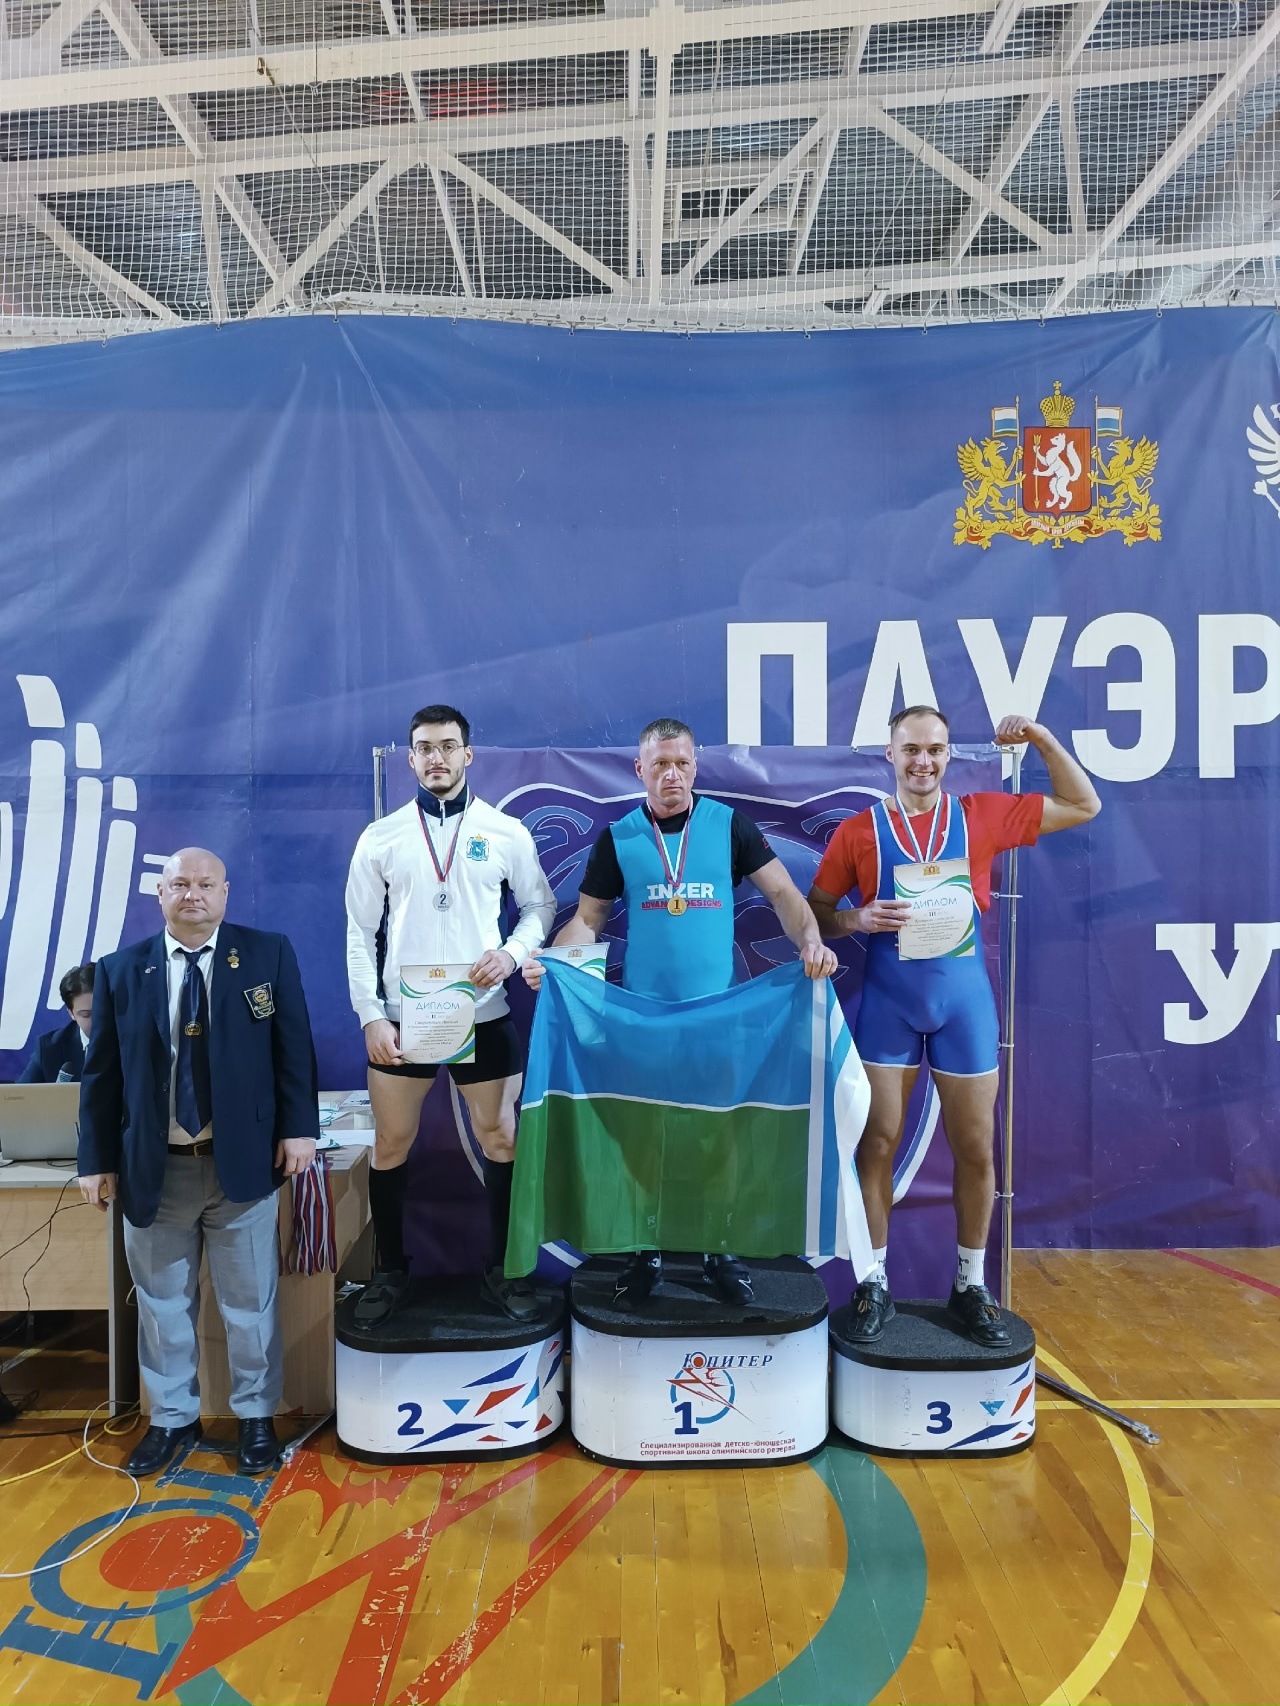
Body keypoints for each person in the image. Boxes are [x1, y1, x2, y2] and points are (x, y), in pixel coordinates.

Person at [808, 707, 1100, 1346]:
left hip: (963, 1004)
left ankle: (970, 1284)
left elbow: (1084, 804)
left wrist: (1042, 736)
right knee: (876, 1143)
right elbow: (816, 912)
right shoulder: (860, 831)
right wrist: (855, 921)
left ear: (948, 755)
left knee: (975, 1147)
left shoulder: (981, 815)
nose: (923, 761)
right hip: (889, 1002)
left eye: (935, 750)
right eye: (911, 749)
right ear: (890, 755)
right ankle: (872, 1282)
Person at [523, 716, 837, 1305]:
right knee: (648, 1136)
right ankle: (647, 1251)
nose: (672, 774)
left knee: (719, 1135)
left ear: (695, 766)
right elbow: (587, 919)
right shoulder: (619, 837)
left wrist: (812, 943)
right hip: (643, 1021)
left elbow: (784, 895)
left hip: (718, 1018)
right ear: (639, 769)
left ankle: (721, 1249)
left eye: (682, 763)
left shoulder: (729, 826)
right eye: (660, 764)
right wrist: (554, 962)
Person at [78, 849, 318, 1477]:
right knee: (162, 1307)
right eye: (179, 884)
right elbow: (101, 1075)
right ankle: (171, 1419)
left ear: (225, 892)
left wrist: (299, 1129)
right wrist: (95, 1159)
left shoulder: (266, 954)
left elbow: (294, 1049)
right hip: (154, 1169)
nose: (193, 894)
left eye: (205, 884)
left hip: (242, 1165)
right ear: (159, 894)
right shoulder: (121, 970)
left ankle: (256, 1417)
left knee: (250, 1304)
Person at [345, 704, 556, 1328]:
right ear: (410, 759)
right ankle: (390, 1272)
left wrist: (512, 953)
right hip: (402, 1019)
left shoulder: (504, 831)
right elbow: (359, 932)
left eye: (447, 746)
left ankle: (505, 1270)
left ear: (468, 754)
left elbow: (540, 906)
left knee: (502, 1138)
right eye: (424, 748)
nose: (436, 758)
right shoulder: (382, 836)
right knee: (391, 1143)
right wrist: (370, 1016)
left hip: (483, 1012)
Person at [19, 963, 95, 1082]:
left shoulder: (127, 1041)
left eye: (103, 1011)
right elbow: (22, 1093)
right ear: (71, 1013)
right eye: (86, 1015)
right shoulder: (50, 1049)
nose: (97, 1020)